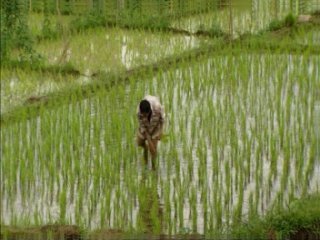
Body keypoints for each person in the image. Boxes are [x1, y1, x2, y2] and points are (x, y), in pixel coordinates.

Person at [137, 95, 165, 169]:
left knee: (153, 149)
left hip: (156, 125)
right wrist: (148, 139)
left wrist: (161, 132)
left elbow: (162, 120)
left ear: (149, 111)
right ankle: (145, 149)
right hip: (145, 126)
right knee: (139, 143)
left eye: (146, 115)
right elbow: (141, 124)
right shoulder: (139, 111)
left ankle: (153, 168)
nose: (145, 116)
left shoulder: (158, 108)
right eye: (143, 115)